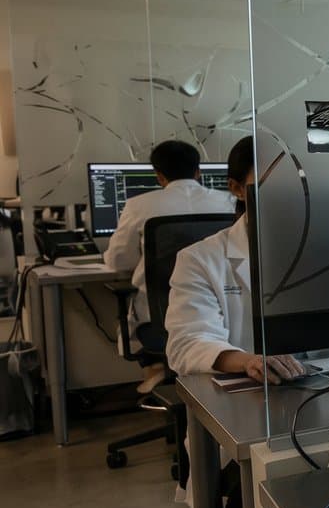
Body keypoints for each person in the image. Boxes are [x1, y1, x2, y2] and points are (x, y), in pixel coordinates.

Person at [167, 137, 303, 384]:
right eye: (269, 182)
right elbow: (187, 344)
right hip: (246, 395)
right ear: (237, 188)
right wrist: (249, 362)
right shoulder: (199, 260)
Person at [101, 140, 234, 390]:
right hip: (220, 310)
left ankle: (160, 372)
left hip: (159, 316)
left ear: (159, 176)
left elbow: (119, 261)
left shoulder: (139, 205)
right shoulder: (227, 201)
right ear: (198, 172)